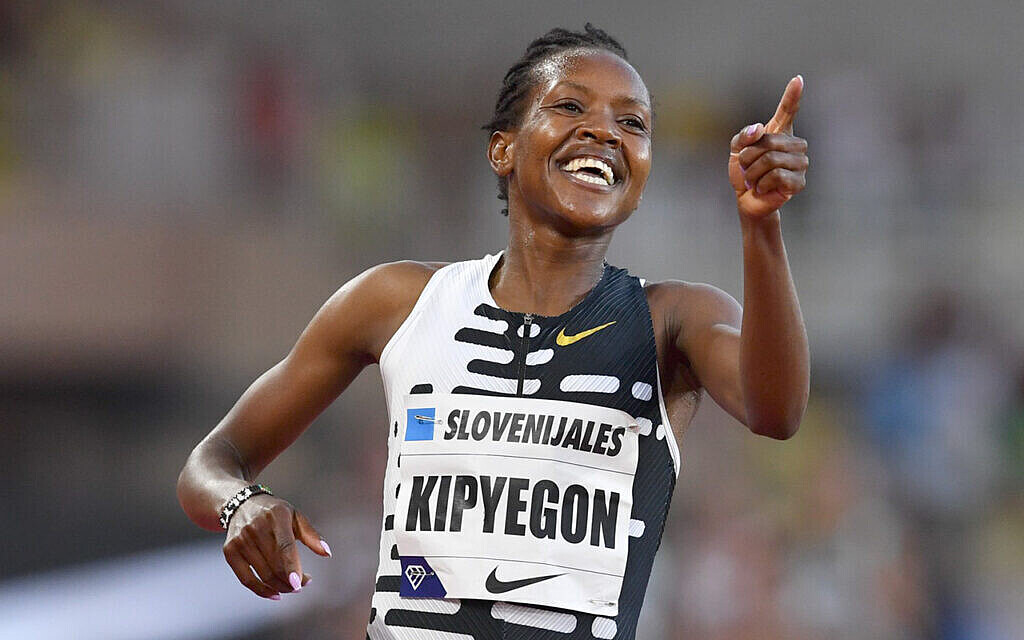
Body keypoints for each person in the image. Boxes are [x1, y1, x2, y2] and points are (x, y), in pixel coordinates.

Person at [177, 24, 809, 640]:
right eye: (570, 106)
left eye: (633, 123)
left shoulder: (672, 318)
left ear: (641, 177)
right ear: (503, 149)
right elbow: (212, 462)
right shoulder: (396, 302)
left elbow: (776, 410)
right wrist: (242, 503)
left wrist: (761, 226)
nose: (604, 131)